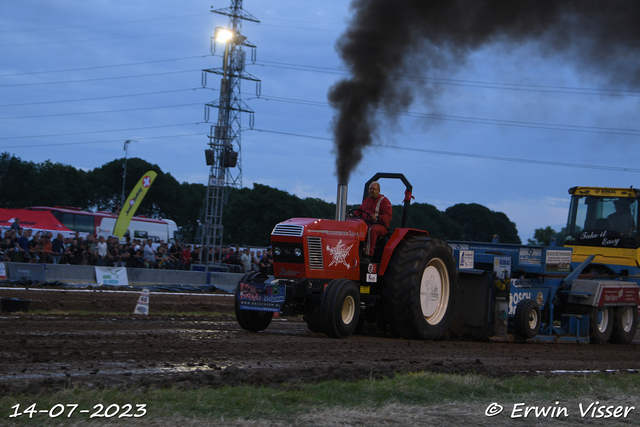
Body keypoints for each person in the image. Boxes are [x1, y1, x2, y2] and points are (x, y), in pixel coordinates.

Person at [354, 181, 392, 259]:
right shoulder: (367, 200)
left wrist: (377, 218)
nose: (371, 191)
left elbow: (388, 216)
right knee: (354, 227)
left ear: (378, 190)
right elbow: (360, 210)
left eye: (373, 189)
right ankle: (355, 252)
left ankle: (368, 255)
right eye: (370, 189)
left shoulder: (384, 201)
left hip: (381, 225)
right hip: (367, 223)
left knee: (372, 230)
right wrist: (353, 215)